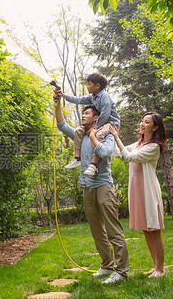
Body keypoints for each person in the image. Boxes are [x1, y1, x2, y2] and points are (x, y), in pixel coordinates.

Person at [55, 100, 129, 284]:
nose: (82, 116)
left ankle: (121, 271)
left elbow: (104, 153)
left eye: (86, 114)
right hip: (87, 187)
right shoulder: (80, 136)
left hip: (103, 185)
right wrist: (57, 104)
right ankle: (107, 265)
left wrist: (94, 135)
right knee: (97, 230)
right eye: (82, 114)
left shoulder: (108, 134)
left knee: (113, 229)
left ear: (96, 117)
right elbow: (62, 125)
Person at [109, 112, 168, 278]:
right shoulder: (139, 144)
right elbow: (118, 152)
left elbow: (128, 157)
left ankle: (161, 269)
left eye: (147, 122)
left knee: (154, 229)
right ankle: (155, 265)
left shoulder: (153, 147)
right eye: (142, 120)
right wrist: (108, 137)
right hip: (137, 190)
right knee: (146, 229)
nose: (142, 124)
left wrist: (117, 136)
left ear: (155, 127)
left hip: (148, 191)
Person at [55, 72, 120, 176]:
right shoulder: (92, 97)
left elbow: (105, 114)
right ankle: (77, 158)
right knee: (78, 131)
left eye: (89, 84)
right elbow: (79, 100)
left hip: (111, 123)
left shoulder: (104, 97)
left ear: (97, 86)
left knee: (98, 135)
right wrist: (63, 96)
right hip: (101, 123)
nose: (87, 86)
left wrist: (95, 128)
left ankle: (93, 164)